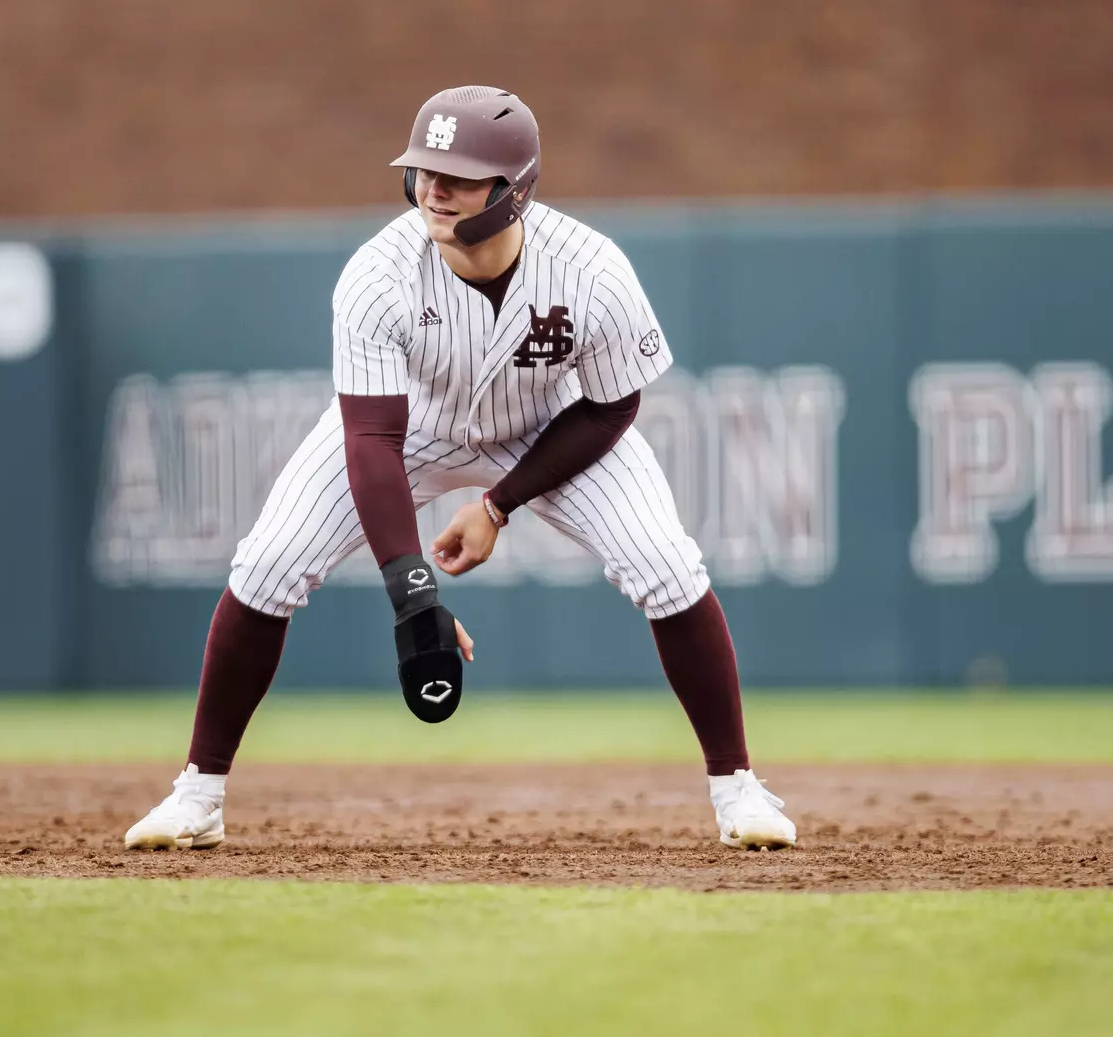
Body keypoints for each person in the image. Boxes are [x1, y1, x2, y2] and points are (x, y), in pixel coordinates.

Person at [123, 86, 797, 852]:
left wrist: (500, 504)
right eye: (422, 170)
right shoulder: (378, 273)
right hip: (409, 428)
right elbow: (372, 439)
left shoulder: (592, 272)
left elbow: (610, 409)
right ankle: (198, 795)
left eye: (459, 175)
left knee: (667, 563)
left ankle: (737, 789)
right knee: (269, 562)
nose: (433, 189)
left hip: (546, 426)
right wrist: (415, 596)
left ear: (514, 191)